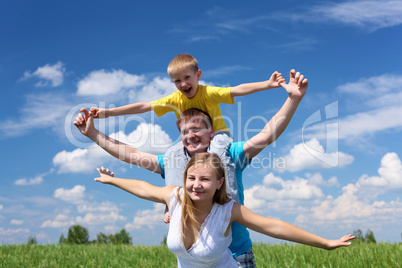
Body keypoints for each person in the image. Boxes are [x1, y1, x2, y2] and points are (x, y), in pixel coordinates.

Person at [74, 69, 306, 267]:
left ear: (211, 132)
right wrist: (92, 134)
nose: (191, 135)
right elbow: (131, 154)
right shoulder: (171, 161)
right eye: (185, 131)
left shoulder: (231, 154)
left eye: (198, 129)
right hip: (193, 259)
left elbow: (266, 134)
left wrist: (292, 99)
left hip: (235, 254)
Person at [94, 153, 355, 268]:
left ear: (219, 183)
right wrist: (112, 180)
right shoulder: (175, 196)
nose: (196, 185)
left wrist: (325, 243)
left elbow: (273, 226)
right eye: (191, 178)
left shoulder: (228, 210)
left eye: (205, 180)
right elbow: (142, 187)